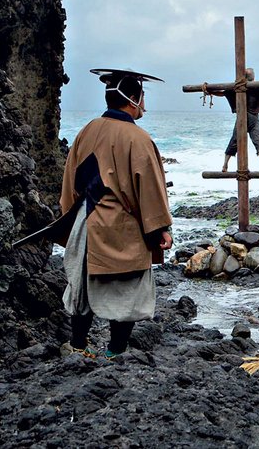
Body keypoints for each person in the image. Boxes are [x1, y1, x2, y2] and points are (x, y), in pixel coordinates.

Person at [59, 68, 173, 360]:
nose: (144, 105)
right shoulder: (137, 138)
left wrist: (71, 221)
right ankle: (115, 352)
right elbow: (148, 187)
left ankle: (78, 346)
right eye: (142, 98)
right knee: (127, 290)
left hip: (85, 223)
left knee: (82, 287)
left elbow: (70, 181)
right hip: (120, 227)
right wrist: (160, 228)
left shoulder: (86, 130)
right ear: (132, 99)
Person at [220, 67, 259, 173]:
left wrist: (208, 90)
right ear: (253, 77)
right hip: (252, 119)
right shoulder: (255, 88)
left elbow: (222, 92)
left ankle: (225, 166)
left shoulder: (236, 87)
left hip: (243, 119)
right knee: (258, 142)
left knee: (234, 142)